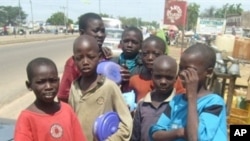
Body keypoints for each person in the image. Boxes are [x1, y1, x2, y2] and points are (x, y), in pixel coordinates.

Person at [149, 43, 227, 141]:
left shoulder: (214, 102)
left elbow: (195, 138)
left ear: (209, 72)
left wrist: (191, 96)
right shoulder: (176, 101)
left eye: (189, 70)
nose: (182, 73)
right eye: (181, 68)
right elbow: (155, 133)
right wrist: (179, 132)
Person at [68, 35, 133, 141]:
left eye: (91, 57)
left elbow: (127, 124)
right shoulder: (74, 87)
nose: (85, 62)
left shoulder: (109, 87)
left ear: (99, 57)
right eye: (80, 58)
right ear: (74, 59)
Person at [14, 57, 87, 141]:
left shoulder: (67, 110)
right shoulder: (26, 119)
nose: (48, 87)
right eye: (41, 82)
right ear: (29, 85)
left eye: (53, 81)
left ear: (59, 81)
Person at [57, 13, 112, 103]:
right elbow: (63, 97)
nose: (101, 35)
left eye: (103, 31)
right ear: (82, 33)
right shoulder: (73, 63)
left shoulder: (107, 56)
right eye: (96, 31)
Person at [131, 55, 178, 141]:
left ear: (176, 78)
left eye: (169, 78)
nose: (163, 82)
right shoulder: (142, 104)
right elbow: (135, 137)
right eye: (158, 76)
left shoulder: (178, 106)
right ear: (152, 75)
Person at [129, 36, 185, 102]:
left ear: (165, 55)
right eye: (145, 54)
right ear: (141, 55)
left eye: (156, 54)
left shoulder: (173, 81)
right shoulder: (135, 80)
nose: (150, 58)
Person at [111, 26, 145, 92]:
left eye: (134, 42)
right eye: (126, 41)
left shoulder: (144, 65)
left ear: (141, 45)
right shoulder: (113, 62)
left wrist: (131, 79)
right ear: (121, 43)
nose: (129, 45)